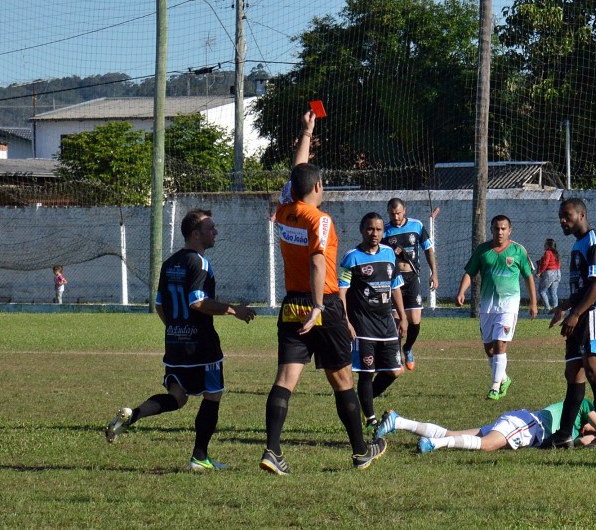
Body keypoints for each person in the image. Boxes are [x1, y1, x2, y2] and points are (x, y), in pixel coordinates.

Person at [261, 110, 387, 475]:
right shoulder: (321, 220)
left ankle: (272, 450)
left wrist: (306, 132)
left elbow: (297, 172)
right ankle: (361, 451)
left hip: (292, 304)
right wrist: (319, 306)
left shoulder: (285, 209)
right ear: (318, 187)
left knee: (285, 379)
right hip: (323, 303)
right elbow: (318, 262)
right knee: (342, 380)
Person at [105, 209, 256, 471]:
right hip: (202, 346)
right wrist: (234, 310)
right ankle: (200, 457)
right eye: (210, 228)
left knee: (178, 397)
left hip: (175, 344)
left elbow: (159, 305)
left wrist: (176, 328)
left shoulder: (169, 263)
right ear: (195, 234)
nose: (215, 232)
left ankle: (134, 414)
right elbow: (197, 302)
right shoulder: (199, 263)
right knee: (213, 395)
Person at [548, 197, 596, 449]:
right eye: (561, 217)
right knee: (573, 371)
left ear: (582, 215)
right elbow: (583, 286)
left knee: (593, 369)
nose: (562, 221)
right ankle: (564, 434)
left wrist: (575, 314)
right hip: (582, 312)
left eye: (567, 216)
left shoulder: (594, 240)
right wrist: (565, 306)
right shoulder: (579, 243)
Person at [339, 212, 408, 434]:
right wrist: (346, 321)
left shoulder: (388, 254)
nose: (374, 233)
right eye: (370, 229)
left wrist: (403, 316)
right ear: (362, 230)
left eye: (378, 229)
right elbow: (341, 292)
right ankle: (370, 419)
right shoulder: (351, 258)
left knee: (394, 371)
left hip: (387, 323)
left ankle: (363, 401)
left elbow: (395, 286)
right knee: (366, 373)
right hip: (363, 326)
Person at [455, 215, 538, 400]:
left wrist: (533, 302)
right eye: (496, 228)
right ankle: (504, 379)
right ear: (491, 230)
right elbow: (469, 272)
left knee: (500, 344)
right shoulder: (483, 250)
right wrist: (461, 292)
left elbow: (528, 276)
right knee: (489, 349)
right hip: (487, 305)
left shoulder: (518, 251)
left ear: (510, 230)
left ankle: (494, 387)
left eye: (503, 228)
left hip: (509, 306)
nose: (500, 232)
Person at [374, 399, 596, 453]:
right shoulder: (583, 403)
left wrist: (585, 433)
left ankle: (399, 421)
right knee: (487, 445)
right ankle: (434, 444)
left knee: (453, 433)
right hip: (530, 425)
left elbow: (583, 440)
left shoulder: (574, 425)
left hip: (521, 421)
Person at [381, 198, 439, 371]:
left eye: (398, 213)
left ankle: (408, 347)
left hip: (412, 278)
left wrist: (434, 273)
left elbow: (428, 249)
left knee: (414, 320)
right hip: (394, 281)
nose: (396, 217)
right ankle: (397, 357)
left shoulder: (416, 226)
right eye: (392, 214)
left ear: (404, 210)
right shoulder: (384, 231)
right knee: (396, 321)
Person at [535, 238, 562, 313]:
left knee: (542, 291)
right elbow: (559, 264)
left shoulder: (548, 252)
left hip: (549, 273)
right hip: (557, 272)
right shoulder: (556, 253)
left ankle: (547, 308)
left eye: (545, 244)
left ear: (549, 246)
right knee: (553, 292)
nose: (544, 245)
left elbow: (545, 263)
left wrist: (540, 272)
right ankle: (555, 308)